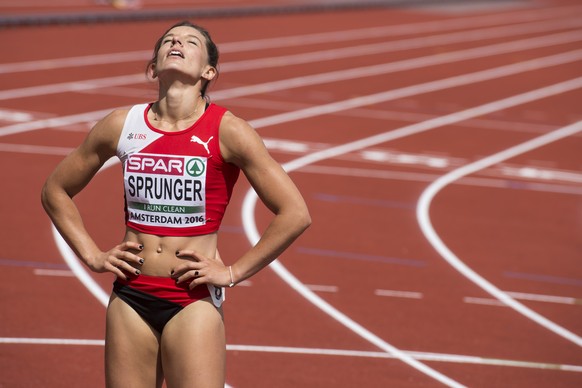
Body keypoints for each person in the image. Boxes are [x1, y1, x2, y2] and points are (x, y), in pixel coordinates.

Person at [41, 21, 311, 388]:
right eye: (168, 40)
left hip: (192, 301)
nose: (176, 42)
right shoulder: (122, 124)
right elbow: (55, 189)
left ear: (208, 71)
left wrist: (233, 273)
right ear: (153, 67)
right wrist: (92, 255)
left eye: (190, 41)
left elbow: (295, 213)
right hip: (130, 296)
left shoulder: (228, 130)